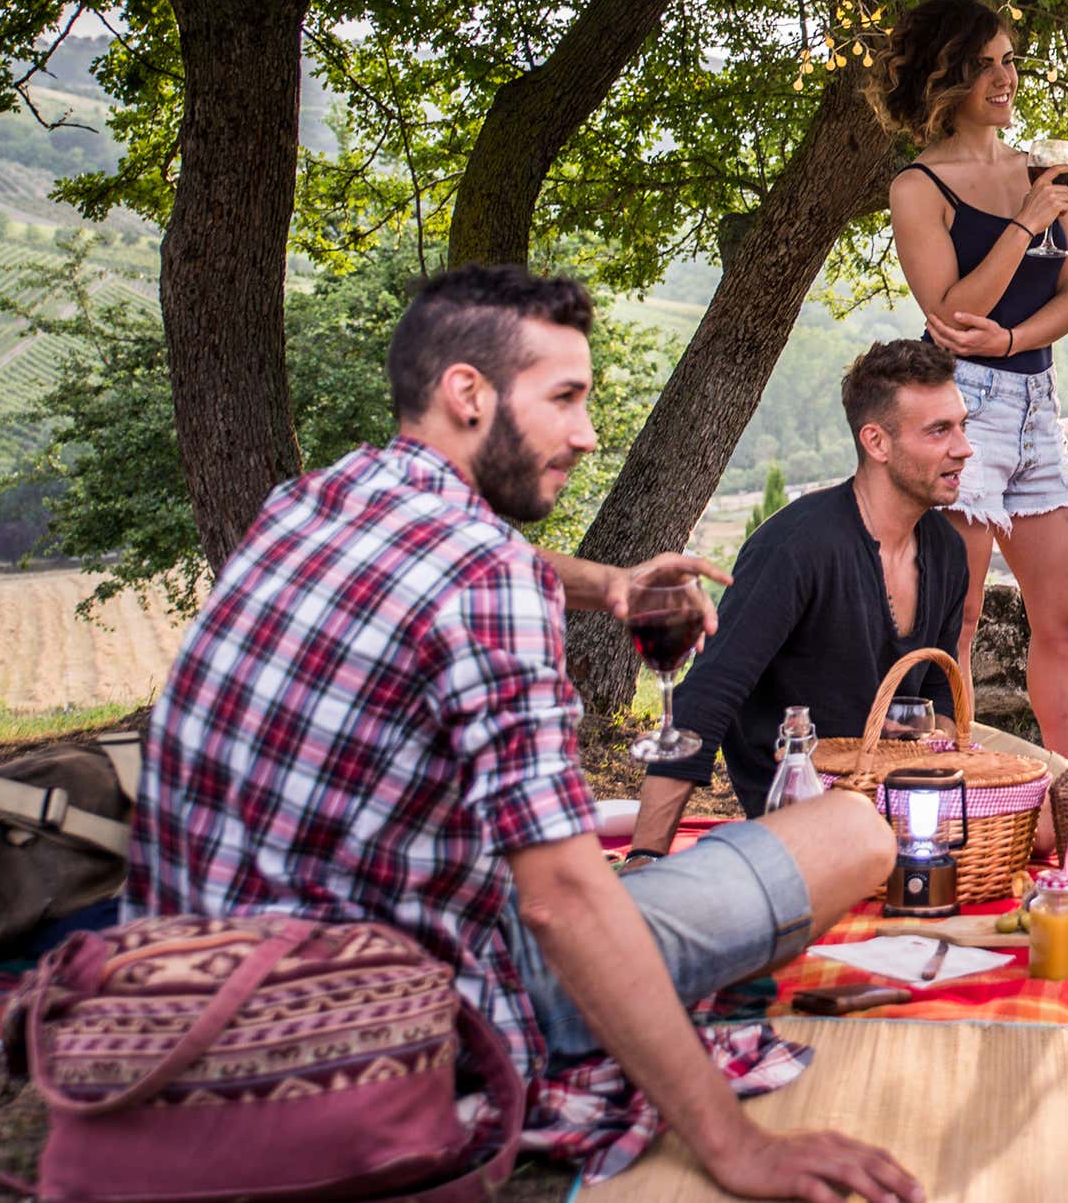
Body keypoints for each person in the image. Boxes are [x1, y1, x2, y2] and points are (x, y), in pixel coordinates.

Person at [128, 266, 920, 1203]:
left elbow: (482, 553)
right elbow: (562, 904)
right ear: (468, 393)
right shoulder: (483, 584)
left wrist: (609, 584)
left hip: (186, 993)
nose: (587, 433)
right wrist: (737, 1146)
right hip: (384, 1021)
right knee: (854, 831)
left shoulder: (314, 501)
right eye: (565, 398)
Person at [630, 339, 973, 855]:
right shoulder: (795, 548)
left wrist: (938, 759)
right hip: (806, 801)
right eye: (939, 431)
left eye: (962, 426)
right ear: (876, 443)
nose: (964, 448)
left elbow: (940, 694)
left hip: (901, 786)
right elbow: (706, 698)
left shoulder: (946, 549)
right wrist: (645, 856)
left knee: (1058, 802)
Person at [880, 0, 1068, 763]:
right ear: (945, 76)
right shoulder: (918, 188)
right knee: (958, 620)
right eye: (984, 64)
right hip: (961, 405)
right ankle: (960, 789)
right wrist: (1024, 223)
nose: (1005, 78)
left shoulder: (1038, 169)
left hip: (1037, 402)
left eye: (1009, 60)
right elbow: (950, 312)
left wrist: (1011, 337)